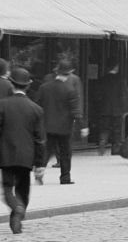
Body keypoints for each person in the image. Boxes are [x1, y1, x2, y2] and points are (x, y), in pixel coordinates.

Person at [0, 71, 45, 233]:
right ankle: (17, 217)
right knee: (23, 189)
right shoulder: (36, 109)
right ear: (28, 86)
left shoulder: (2, 105)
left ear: (12, 85)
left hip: (5, 154)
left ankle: (17, 208)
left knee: (7, 187)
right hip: (27, 156)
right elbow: (39, 139)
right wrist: (40, 164)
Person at [30, 63, 77, 185]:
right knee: (65, 152)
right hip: (65, 127)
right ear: (68, 74)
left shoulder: (44, 87)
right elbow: (74, 109)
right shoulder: (70, 89)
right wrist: (79, 123)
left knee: (46, 151)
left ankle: (39, 173)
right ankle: (65, 178)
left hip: (47, 125)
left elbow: (37, 104)